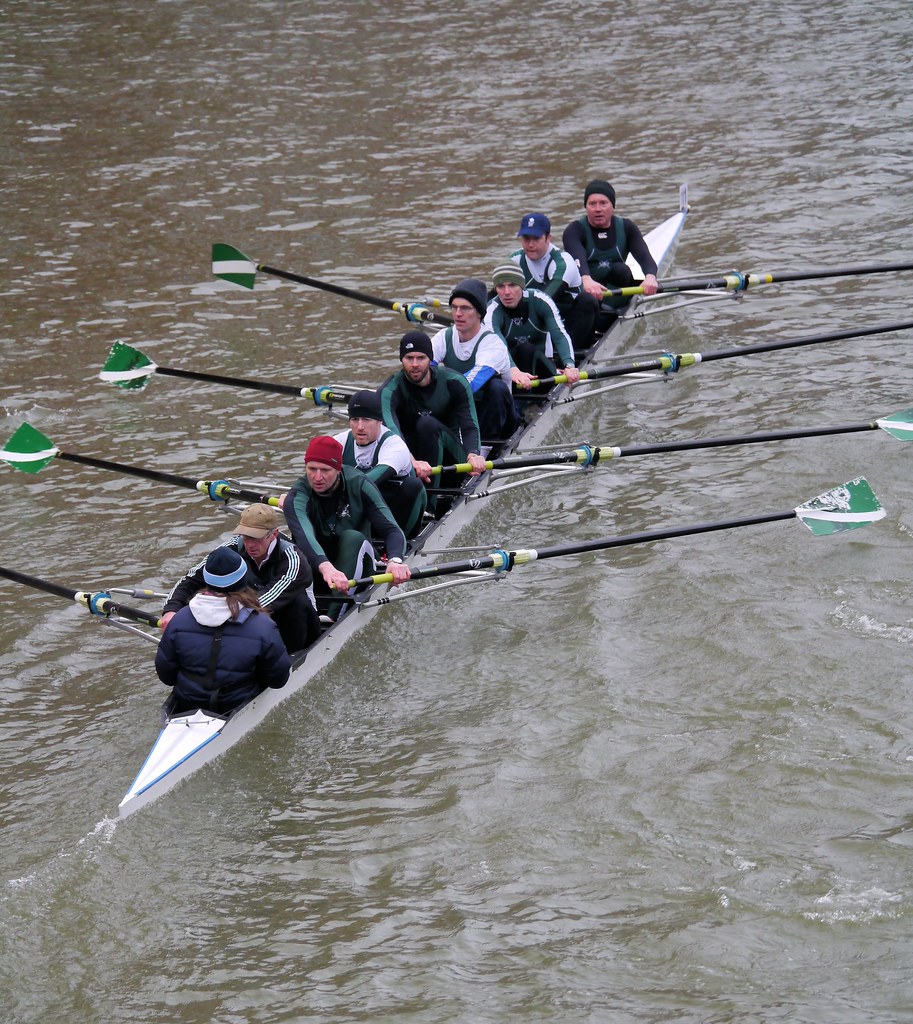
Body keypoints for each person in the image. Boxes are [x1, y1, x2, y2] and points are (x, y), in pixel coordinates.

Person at [160, 503, 320, 654]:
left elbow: (267, 599)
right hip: (250, 616)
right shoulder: (231, 548)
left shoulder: (293, 559)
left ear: (274, 534)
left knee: (298, 603)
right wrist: (171, 610)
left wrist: (218, 618)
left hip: (293, 620)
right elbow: (191, 579)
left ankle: (292, 657)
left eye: (256, 538)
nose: (250, 544)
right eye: (246, 537)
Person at [282, 435, 411, 620]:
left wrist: (396, 560)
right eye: (312, 469)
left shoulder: (360, 484)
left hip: (360, 562)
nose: (317, 477)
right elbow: (303, 535)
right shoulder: (297, 495)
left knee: (352, 537)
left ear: (338, 469)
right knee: (282, 544)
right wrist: (327, 568)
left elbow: (391, 529)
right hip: (322, 569)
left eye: (325, 470)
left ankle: (334, 618)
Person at [154, 546, 292, 715]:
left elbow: (166, 676)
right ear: (243, 580)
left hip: (188, 703)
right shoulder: (263, 626)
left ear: (207, 581)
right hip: (237, 704)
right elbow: (278, 680)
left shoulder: (179, 619)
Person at [379, 330, 488, 486]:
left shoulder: (455, 382)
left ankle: (430, 503)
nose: (415, 364)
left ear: (430, 359)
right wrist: (411, 461)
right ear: (401, 360)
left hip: (452, 460)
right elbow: (391, 432)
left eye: (421, 358)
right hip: (412, 461)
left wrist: (473, 454)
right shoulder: (389, 390)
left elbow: (469, 426)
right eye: (409, 358)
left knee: (427, 424)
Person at [429, 278, 523, 442]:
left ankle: (486, 450)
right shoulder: (443, 337)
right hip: (464, 412)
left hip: (499, 418)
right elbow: (424, 368)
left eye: (465, 308)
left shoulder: (493, 343)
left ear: (480, 312)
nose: (458, 314)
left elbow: (471, 381)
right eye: (454, 307)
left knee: (496, 387)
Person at [562, 179, 659, 330]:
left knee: (622, 270)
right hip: (587, 297)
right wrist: (586, 279)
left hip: (614, 296)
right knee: (587, 296)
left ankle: (610, 313)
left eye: (603, 203)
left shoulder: (627, 227)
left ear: (612, 206)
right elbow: (576, 258)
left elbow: (646, 258)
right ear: (586, 207)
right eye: (592, 204)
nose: (597, 209)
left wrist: (650, 277)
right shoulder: (574, 231)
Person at [332, 389, 427, 539]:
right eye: (355, 419)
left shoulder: (395, 445)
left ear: (379, 420)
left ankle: (399, 543)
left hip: (396, 516)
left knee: (413, 485)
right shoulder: (339, 441)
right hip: (363, 514)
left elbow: (369, 481)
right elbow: (316, 472)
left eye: (366, 419)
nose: (360, 426)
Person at [510, 211, 599, 352]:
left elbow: (545, 299)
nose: (530, 244)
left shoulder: (563, 262)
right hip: (538, 325)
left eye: (536, 238)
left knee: (587, 301)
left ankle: (571, 356)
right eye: (526, 239)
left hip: (569, 327)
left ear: (548, 238)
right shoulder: (515, 259)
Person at [485, 264, 581, 385]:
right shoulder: (491, 310)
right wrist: (512, 369)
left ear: (521, 285)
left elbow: (560, 335)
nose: (507, 292)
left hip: (543, 369)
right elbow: (496, 345)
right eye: (500, 286)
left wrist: (570, 365)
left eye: (512, 285)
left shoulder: (540, 300)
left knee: (526, 349)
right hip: (510, 371)